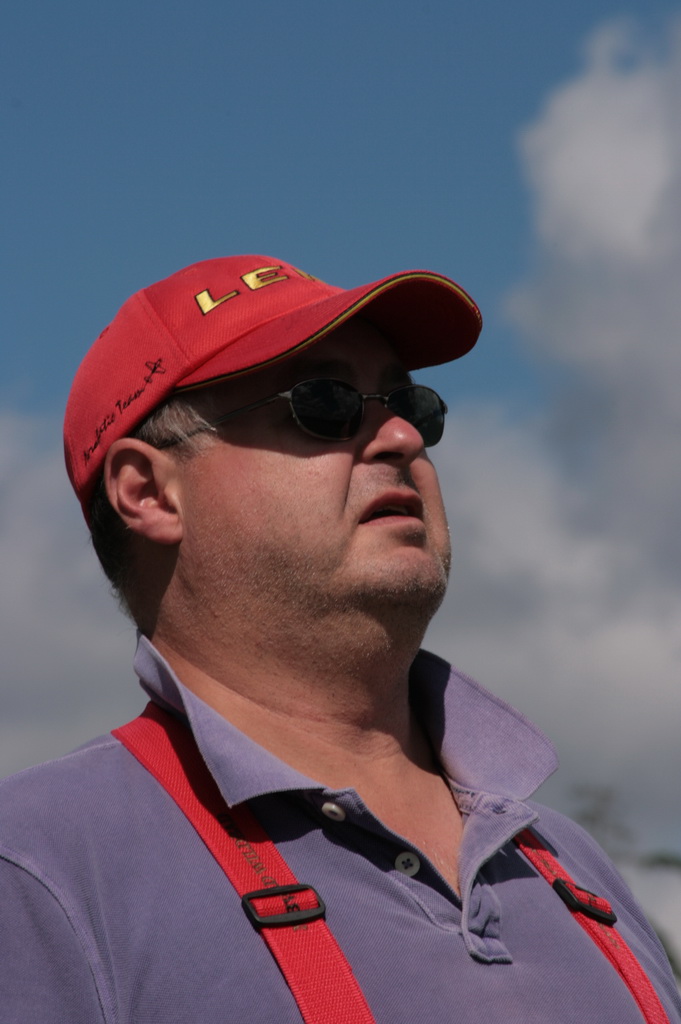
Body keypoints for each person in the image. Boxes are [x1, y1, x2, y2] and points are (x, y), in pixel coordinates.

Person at [1, 255, 679, 1024]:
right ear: (149, 492)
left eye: (410, 404)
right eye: (323, 403)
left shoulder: (574, 870)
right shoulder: (40, 868)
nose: (401, 436)